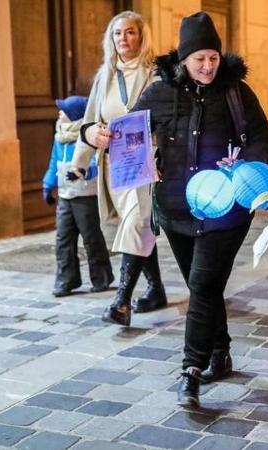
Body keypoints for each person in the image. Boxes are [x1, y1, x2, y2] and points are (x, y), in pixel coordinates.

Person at [129, 12, 268, 407]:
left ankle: (190, 371)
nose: (209, 66)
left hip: (225, 211)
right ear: (183, 59)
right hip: (176, 209)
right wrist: (95, 134)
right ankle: (220, 352)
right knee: (204, 288)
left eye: (213, 57)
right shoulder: (159, 93)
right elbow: (129, 135)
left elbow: (263, 139)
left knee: (203, 287)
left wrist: (245, 162)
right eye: (200, 60)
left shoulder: (237, 92)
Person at [70, 11, 167, 327]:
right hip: (116, 164)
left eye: (129, 32)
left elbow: (168, 121)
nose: (123, 39)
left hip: (146, 162)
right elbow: (88, 122)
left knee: (137, 222)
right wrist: (79, 162)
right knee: (133, 223)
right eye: (117, 34)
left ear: (141, 36)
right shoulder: (104, 76)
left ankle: (121, 301)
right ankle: (155, 289)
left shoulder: (155, 74)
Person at [42, 96, 114, 297]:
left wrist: (83, 171)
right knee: (63, 238)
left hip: (85, 196)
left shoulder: (88, 136)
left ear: (74, 116)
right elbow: (53, 163)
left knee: (91, 238)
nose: (59, 113)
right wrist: (48, 186)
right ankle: (66, 280)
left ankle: (102, 277)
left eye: (63, 110)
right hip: (65, 196)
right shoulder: (60, 137)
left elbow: (96, 164)